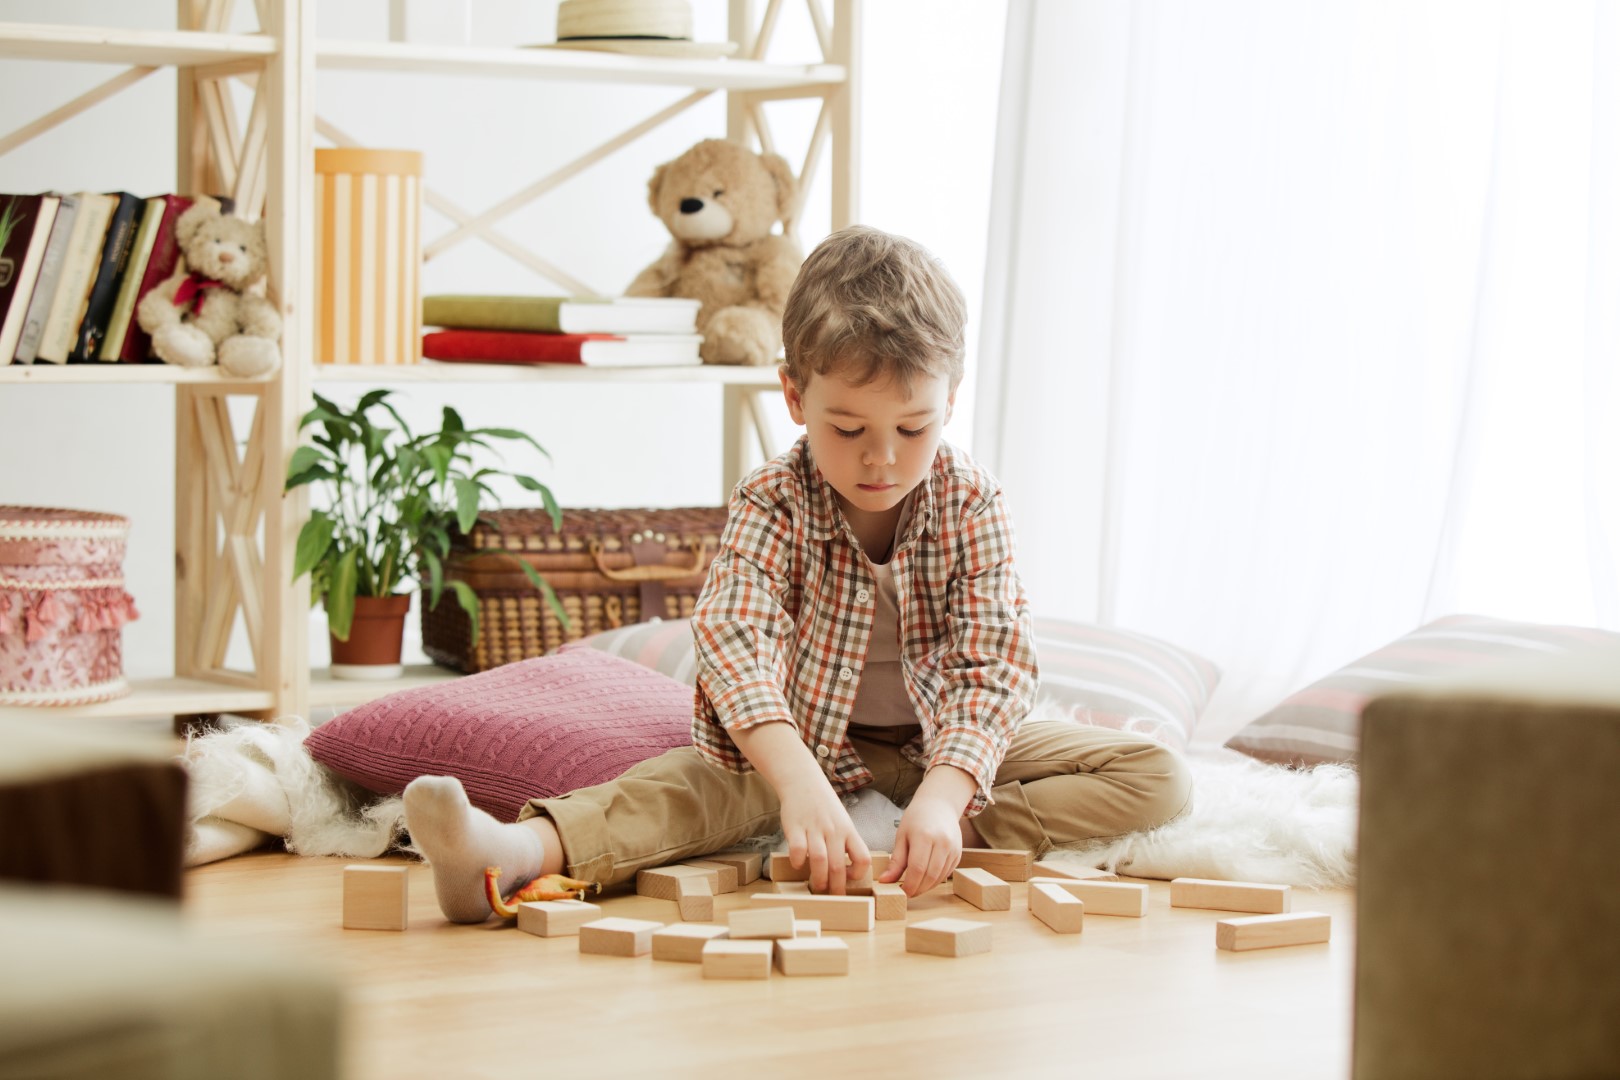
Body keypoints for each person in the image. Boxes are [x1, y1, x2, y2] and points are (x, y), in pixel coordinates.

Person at [404, 225, 1192, 922]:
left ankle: (918, 834)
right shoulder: (774, 501)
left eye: (912, 427)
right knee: (684, 787)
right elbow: (735, 641)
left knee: (1153, 775)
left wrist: (949, 798)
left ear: (951, 400)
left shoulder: (972, 501)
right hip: (807, 743)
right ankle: (511, 854)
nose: (880, 457)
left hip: (936, 747)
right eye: (847, 428)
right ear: (793, 396)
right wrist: (799, 782)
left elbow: (993, 665)